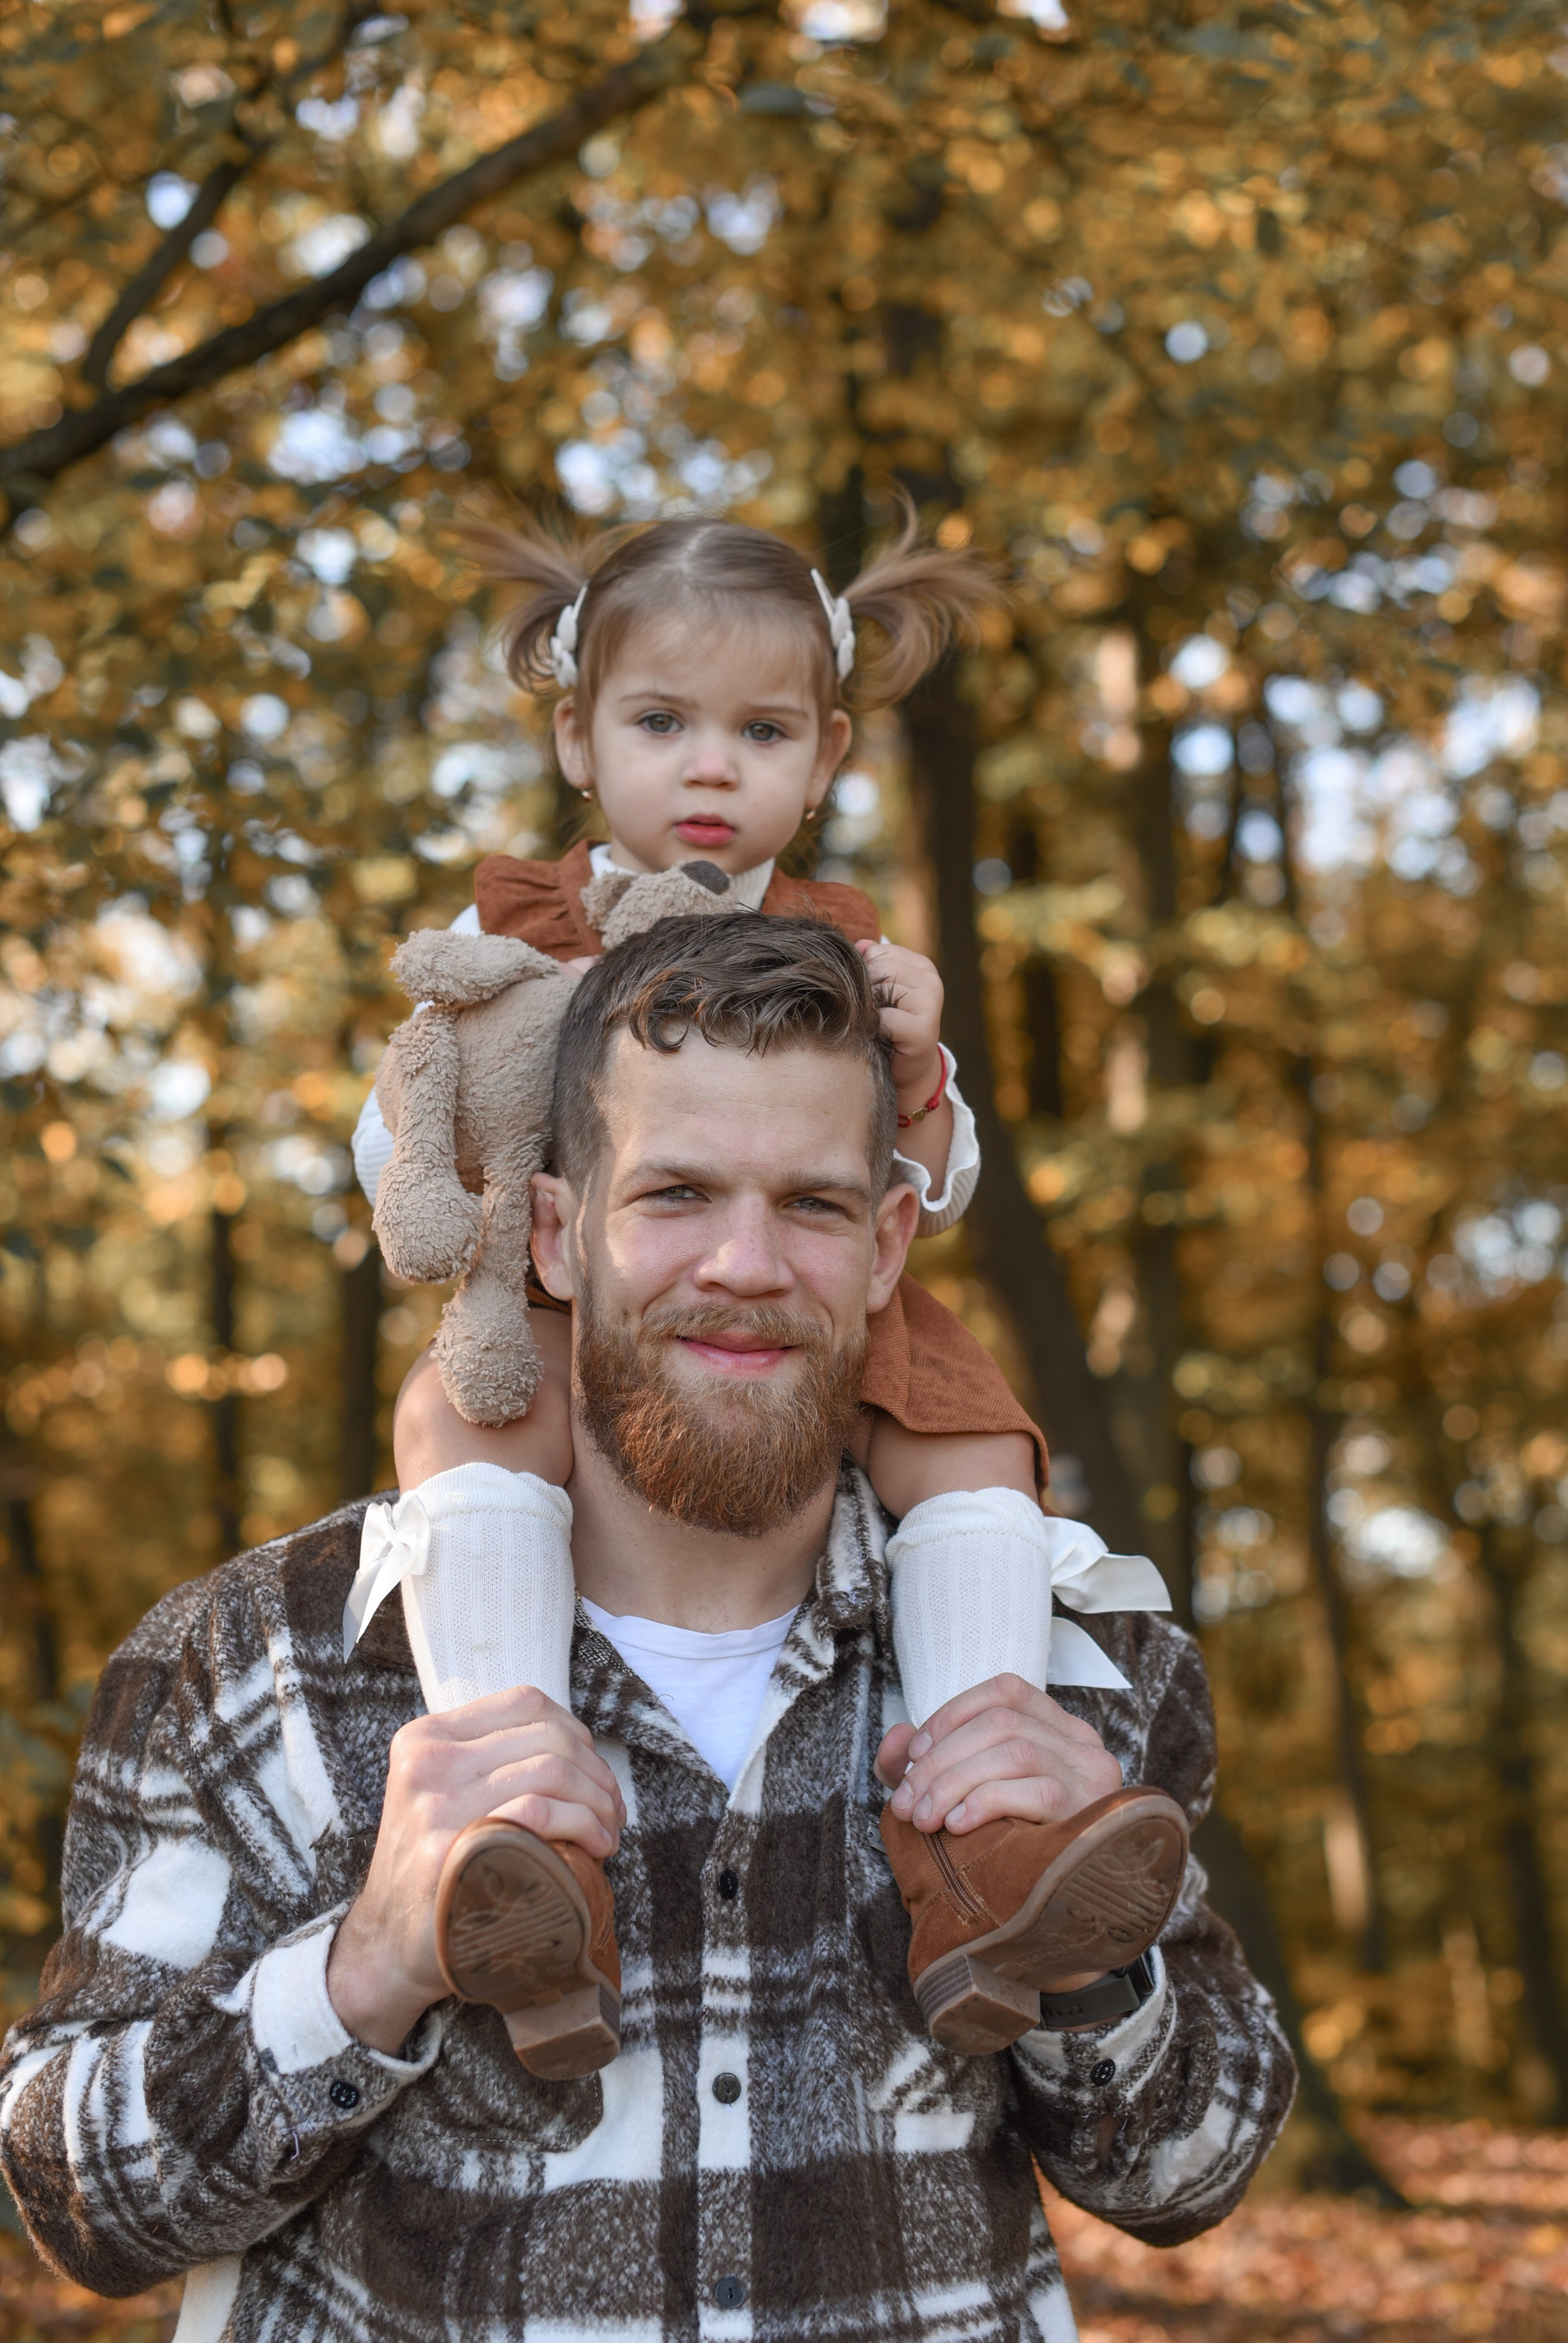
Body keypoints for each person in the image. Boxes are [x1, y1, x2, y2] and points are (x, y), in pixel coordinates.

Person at [0, 912, 1293, 2343]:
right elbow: (76, 2201)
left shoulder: (1075, 1667)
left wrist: (1095, 1966)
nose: (745, 1265)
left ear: (887, 1245)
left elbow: (1192, 2173)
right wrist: (366, 1968)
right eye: (675, 1194)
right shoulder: (260, 1657)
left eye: (810, 1204)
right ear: (553, 1232)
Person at [347, 509, 1181, 2066]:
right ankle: (513, 1828)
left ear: (826, 756)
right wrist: (487, 1136)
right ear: (578, 737)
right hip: (565, 1303)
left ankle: (984, 1838)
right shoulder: (513, 927)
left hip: (837, 1321)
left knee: (978, 1450)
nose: (711, 769)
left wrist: (921, 1068)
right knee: (460, 1421)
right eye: (662, 723)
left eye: (761, 732)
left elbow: (941, 1180)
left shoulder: (847, 950)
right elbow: (400, 1122)